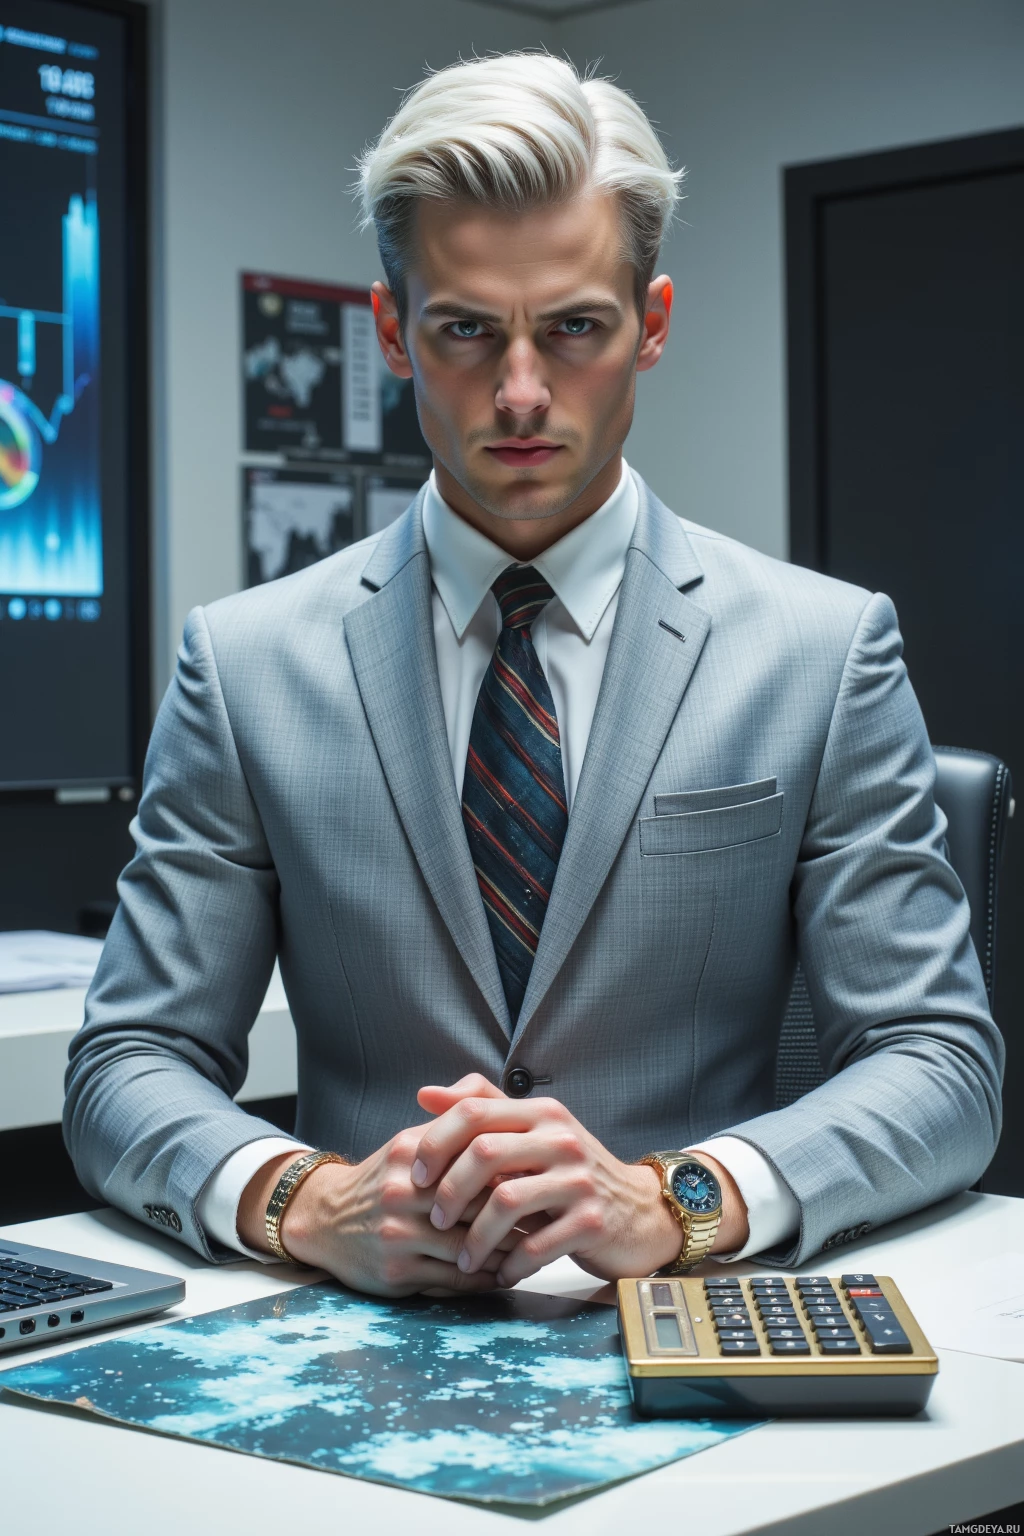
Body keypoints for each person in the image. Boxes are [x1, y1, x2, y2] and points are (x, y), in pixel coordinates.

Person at [65, 53, 1002, 1296]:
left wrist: (683, 1198)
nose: (519, 393)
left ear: (650, 326)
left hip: (686, 1330)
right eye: (465, 330)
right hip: (349, 1342)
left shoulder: (822, 653)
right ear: (393, 332)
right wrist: (307, 1199)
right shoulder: (242, 666)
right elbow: (127, 1061)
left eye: (573, 328)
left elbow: (938, 1062)